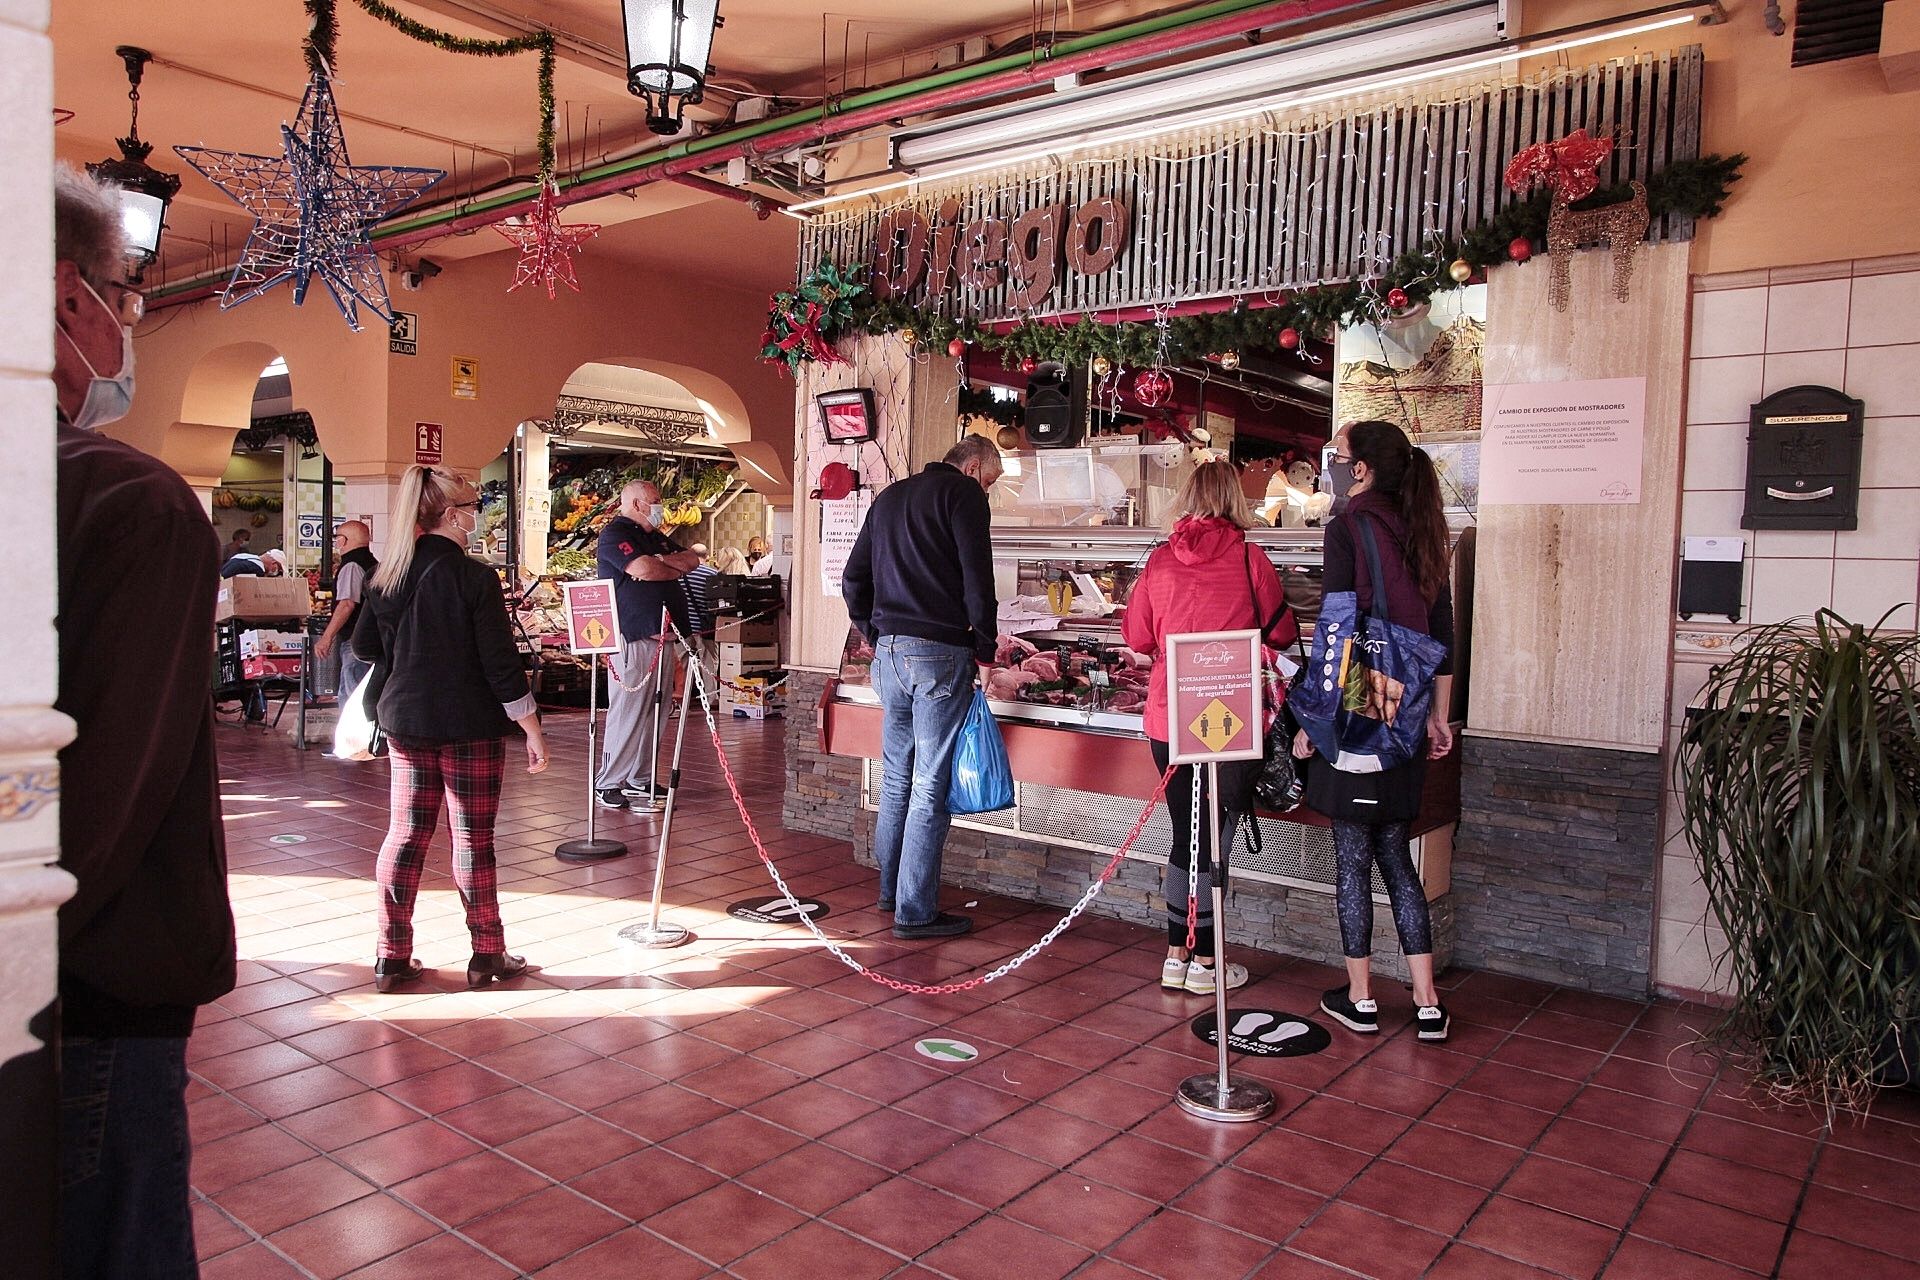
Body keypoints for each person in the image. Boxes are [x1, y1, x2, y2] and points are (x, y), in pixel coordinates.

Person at [52, 163, 237, 1279]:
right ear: (72, 301)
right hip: (94, 1003)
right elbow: (100, 806)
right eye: (126, 294)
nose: (129, 323)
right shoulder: (133, 503)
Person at [350, 465, 549, 992]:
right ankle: (487, 955)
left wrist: (408, 649)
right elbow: (500, 665)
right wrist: (531, 727)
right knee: (472, 840)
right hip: (470, 725)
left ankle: (391, 957)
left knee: (406, 835)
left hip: (405, 721)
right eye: (473, 510)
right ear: (455, 516)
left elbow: (364, 648)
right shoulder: (474, 577)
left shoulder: (385, 574)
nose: (476, 518)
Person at [1292, 420, 1456, 1041]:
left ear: (1360, 468)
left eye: (1338, 457)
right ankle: (1427, 999)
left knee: (1353, 858)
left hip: (1361, 709)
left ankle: (1360, 996)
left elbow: (1335, 629)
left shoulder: (1348, 526)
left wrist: (1315, 720)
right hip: (1410, 711)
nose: (1334, 465)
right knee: (1397, 854)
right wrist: (1439, 715)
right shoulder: (1426, 529)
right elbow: (1442, 638)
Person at [1121, 459, 1298, 995]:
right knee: (1214, 839)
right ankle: (1205, 962)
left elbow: (1137, 637)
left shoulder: (1159, 562)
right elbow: (1284, 633)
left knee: (1183, 836)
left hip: (1169, 718)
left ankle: (1177, 956)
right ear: (1232, 500)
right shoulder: (1250, 557)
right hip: (1230, 719)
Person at [842, 436, 1002, 939]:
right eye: (991, 483)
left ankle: (891, 892)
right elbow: (979, 577)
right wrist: (986, 648)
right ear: (973, 468)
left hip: (888, 655)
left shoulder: (890, 496)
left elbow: (853, 578)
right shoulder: (964, 496)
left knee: (896, 780)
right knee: (930, 784)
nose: (989, 493)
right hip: (939, 655)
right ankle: (915, 912)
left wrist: (875, 631)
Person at [595, 481, 698, 809]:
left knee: (657, 711)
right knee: (627, 712)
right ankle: (609, 781)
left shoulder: (654, 536)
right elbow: (643, 569)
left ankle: (641, 779)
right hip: (633, 638)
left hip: (664, 639)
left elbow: (692, 560)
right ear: (637, 504)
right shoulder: (615, 535)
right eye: (655, 501)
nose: (661, 506)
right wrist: (661, 565)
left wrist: (659, 562)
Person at [316, 520, 376, 698]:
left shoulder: (351, 565)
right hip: (371, 638)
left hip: (354, 640)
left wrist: (326, 637)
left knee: (352, 694)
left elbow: (347, 604)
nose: (336, 543)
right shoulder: (372, 563)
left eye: (337, 538)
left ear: (344, 540)